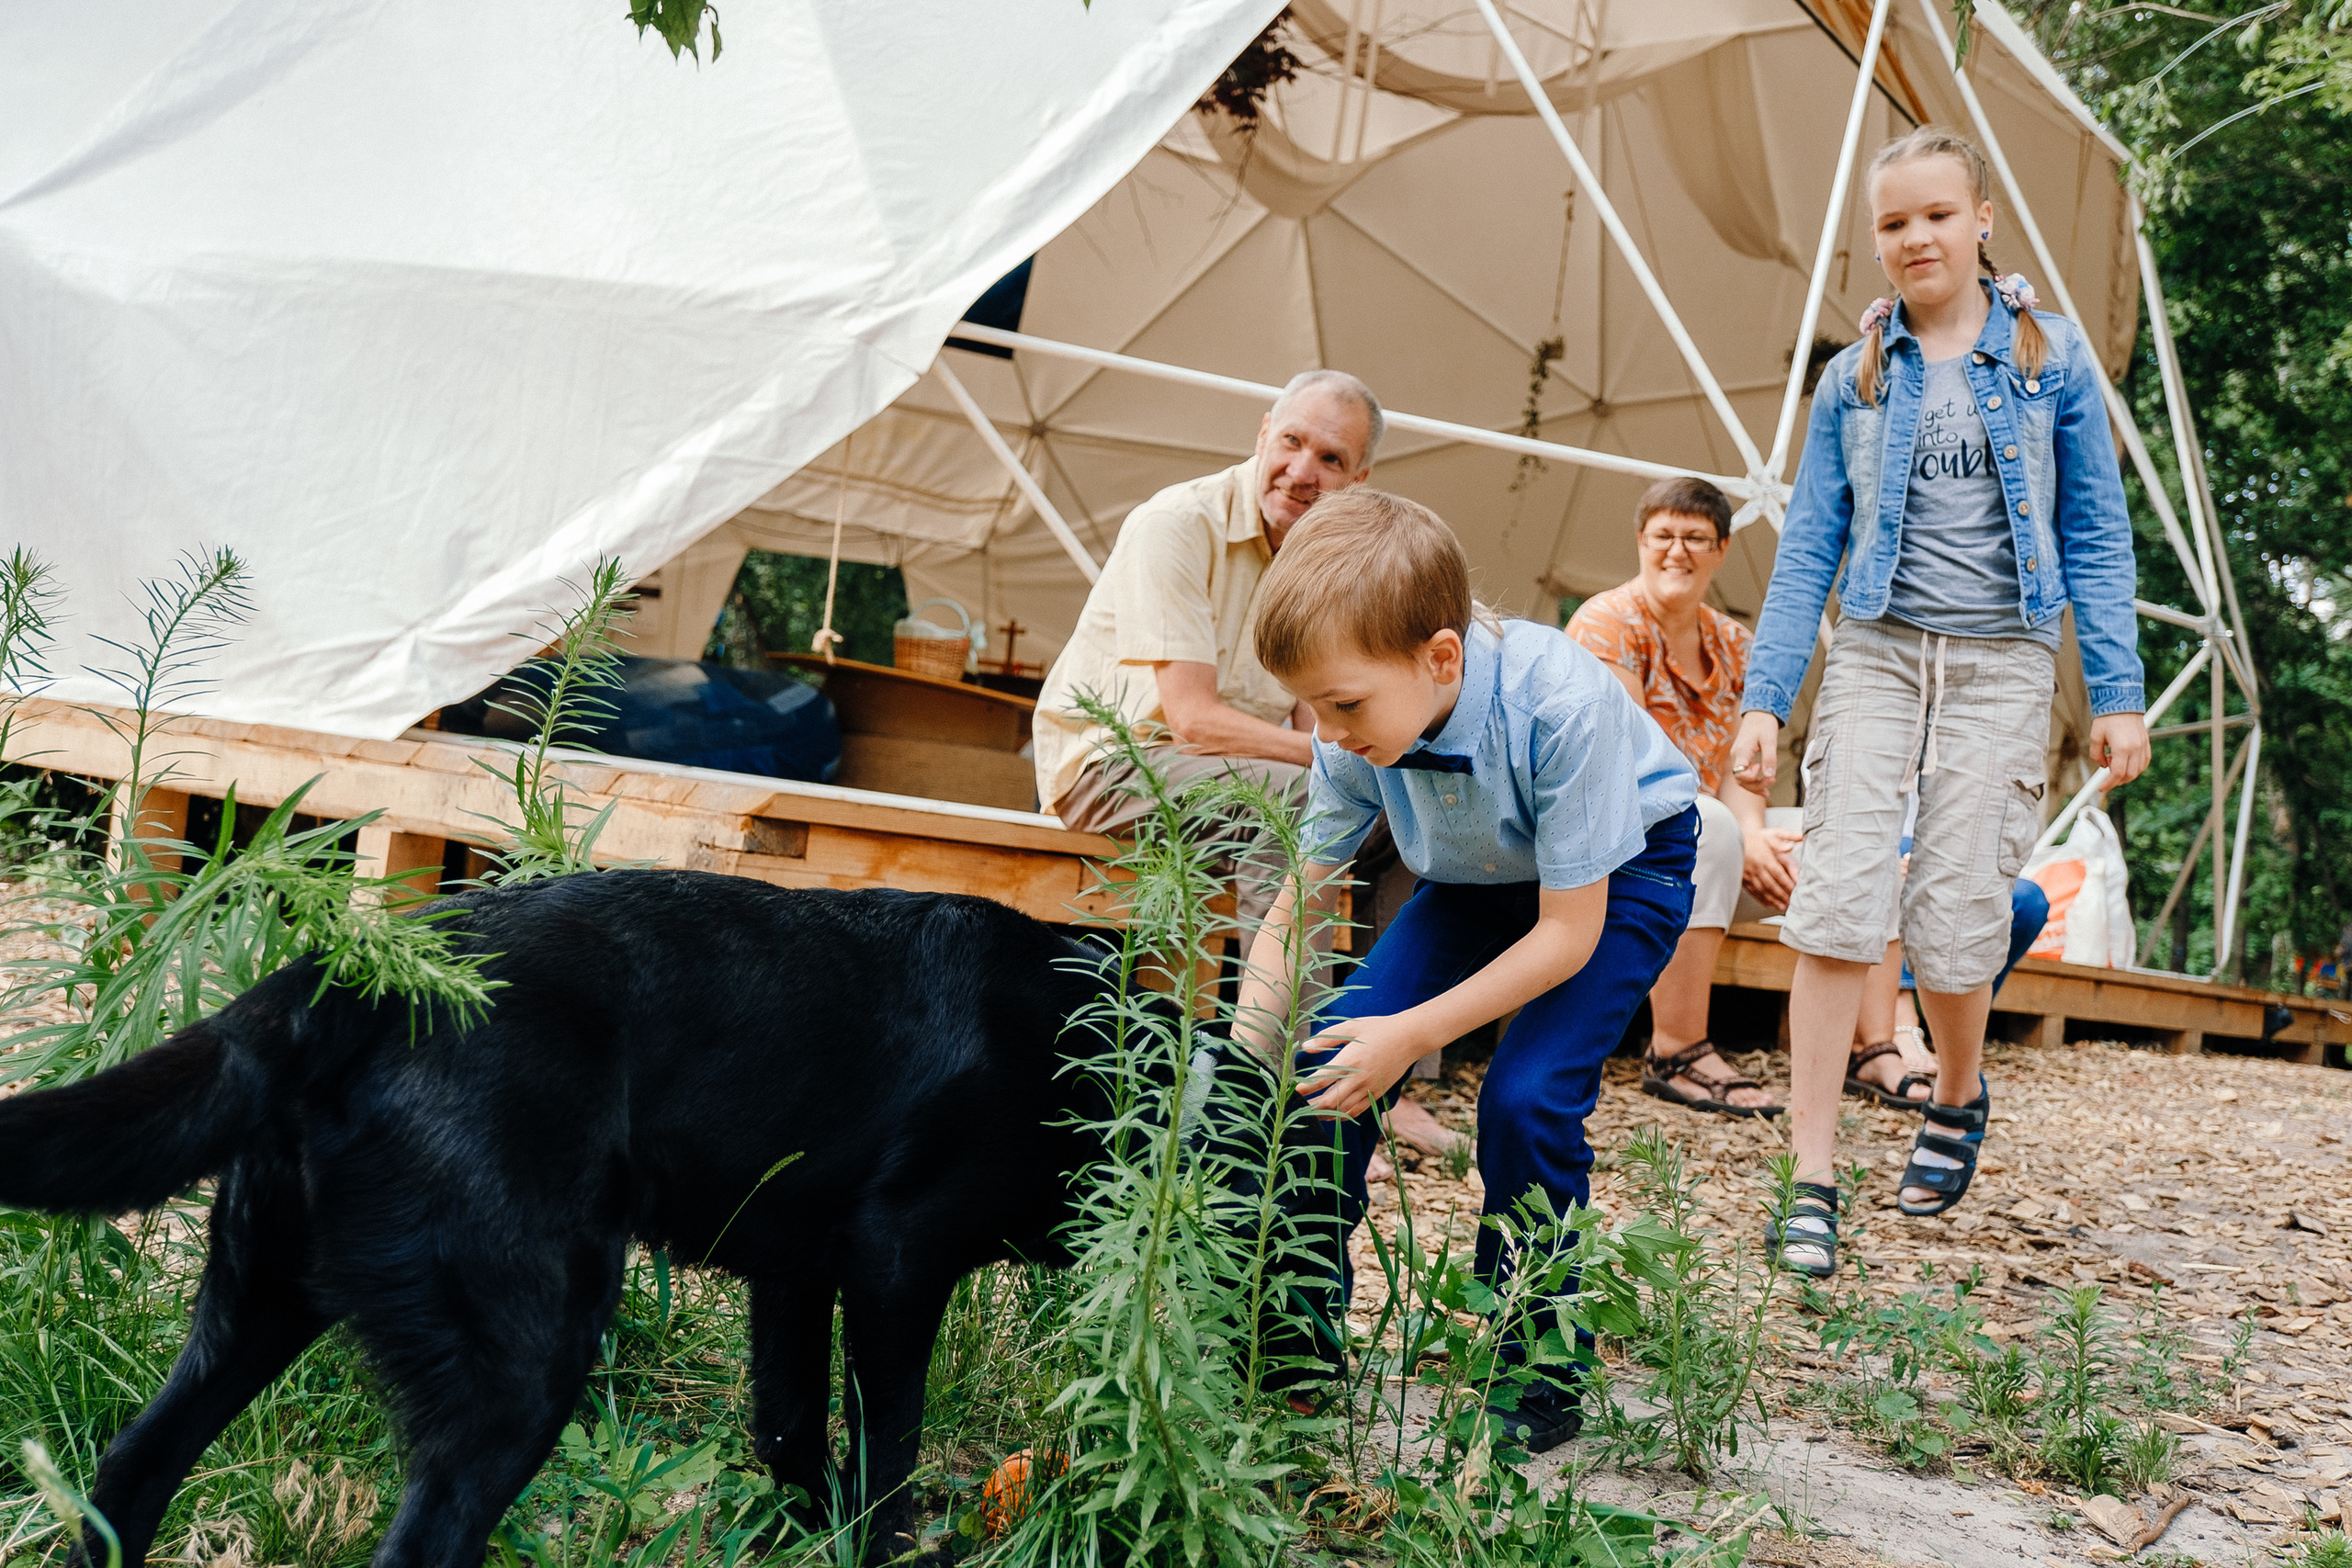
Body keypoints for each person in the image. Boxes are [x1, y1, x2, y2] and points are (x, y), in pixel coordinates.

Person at [1728, 127, 2150, 1276]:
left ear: (1980, 221)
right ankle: (1809, 1176)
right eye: (1891, 222)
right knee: (1839, 900)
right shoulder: (1853, 374)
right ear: (1876, 240)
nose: (1913, 237)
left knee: (1962, 913)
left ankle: (1955, 1092)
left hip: (2000, 661)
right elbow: (1809, 544)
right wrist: (1768, 697)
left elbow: (2097, 537)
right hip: (1873, 651)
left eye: (1933, 215)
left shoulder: (2048, 361)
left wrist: (2116, 692)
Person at [1233, 489, 1699, 1452]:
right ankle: (1299, 1328)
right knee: (1328, 1069)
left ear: (1439, 659)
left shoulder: (1558, 705)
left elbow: (1568, 935)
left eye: (1344, 705)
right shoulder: (1355, 722)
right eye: (1311, 708)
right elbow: (1298, 900)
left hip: (1616, 873)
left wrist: (1413, 1035)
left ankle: (1538, 1358)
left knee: (1526, 1097)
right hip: (1475, 871)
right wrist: (1248, 1056)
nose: (1325, 733)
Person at [1032, 370, 1461, 1161]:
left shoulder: (1323, 563)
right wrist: (1351, 761)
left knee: (1407, 814)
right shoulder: (1178, 523)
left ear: (1358, 480)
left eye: (1331, 458)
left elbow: (1316, 716)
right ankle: (1282, 1078)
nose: (1304, 471)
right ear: (1263, 432)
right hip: (1113, 763)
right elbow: (1191, 719)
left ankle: (1385, 1069)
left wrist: (1376, 771)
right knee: (1306, 801)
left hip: (1232, 772)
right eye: (1292, 441)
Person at [1567, 476, 1789, 1117]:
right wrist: (1733, 830)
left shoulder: (1737, 645)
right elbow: (1634, 765)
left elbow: (1742, 770)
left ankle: (1875, 1044)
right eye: (1663, 534)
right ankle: (1677, 1049)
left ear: (1720, 549)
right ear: (1640, 541)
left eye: (1695, 537)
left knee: (1823, 840)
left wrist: (1754, 834)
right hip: (1613, 840)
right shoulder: (1606, 622)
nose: (1677, 550)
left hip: (1711, 835)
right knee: (1707, 824)